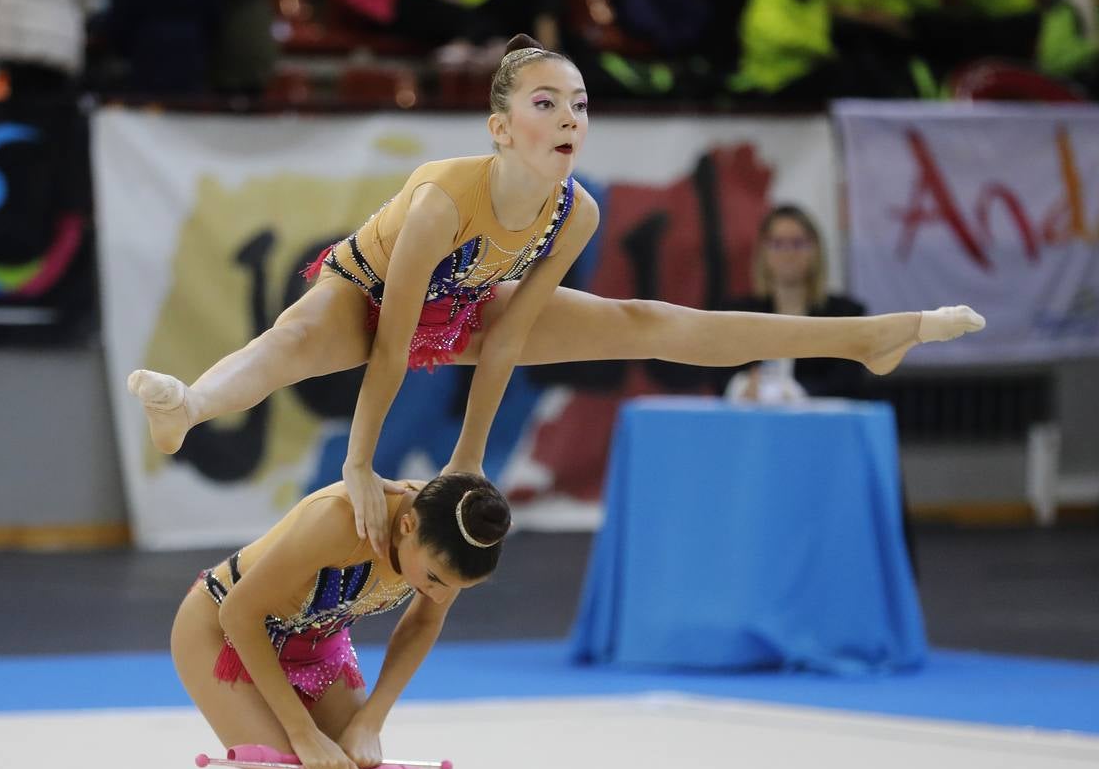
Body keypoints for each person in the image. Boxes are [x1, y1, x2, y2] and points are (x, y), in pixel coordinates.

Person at [128, 33, 985, 561]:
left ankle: (870, 335)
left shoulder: (575, 212)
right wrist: (359, 463)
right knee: (285, 345)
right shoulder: (439, 202)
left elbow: (502, 344)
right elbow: (393, 349)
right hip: (369, 292)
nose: (570, 118)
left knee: (649, 322)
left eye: (579, 103)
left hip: (470, 306)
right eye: (548, 104)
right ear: (502, 128)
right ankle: (189, 405)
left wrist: (467, 458)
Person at [169, 472, 508, 769]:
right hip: (224, 632)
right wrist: (302, 732)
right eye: (432, 578)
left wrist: (370, 721)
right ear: (408, 526)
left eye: (456, 587)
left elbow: (424, 623)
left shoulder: (451, 530)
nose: (439, 594)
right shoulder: (341, 520)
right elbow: (238, 614)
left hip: (317, 643)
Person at [714, 204, 866, 403]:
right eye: (777, 243)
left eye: (797, 243)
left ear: (815, 250)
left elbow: (848, 382)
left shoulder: (845, 315)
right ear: (763, 252)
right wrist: (740, 387)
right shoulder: (736, 313)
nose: (788, 253)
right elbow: (718, 371)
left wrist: (795, 393)